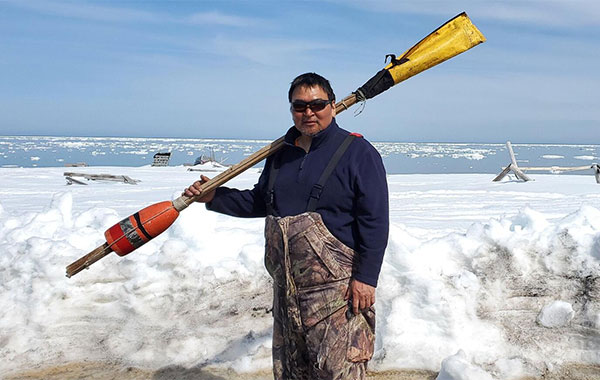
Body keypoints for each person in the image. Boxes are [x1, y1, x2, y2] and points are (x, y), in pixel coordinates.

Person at [184, 73, 389, 380]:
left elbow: (374, 220)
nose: (309, 113)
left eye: (317, 104)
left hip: (339, 293)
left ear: (332, 106)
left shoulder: (358, 153)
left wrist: (366, 278)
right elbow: (260, 202)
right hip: (288, 292)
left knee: (339, 371)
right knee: (293, 372)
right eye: (300, 106)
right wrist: (216, 197)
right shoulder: (280, 155)